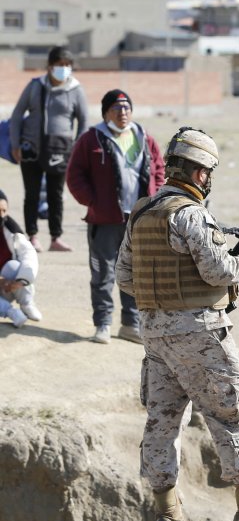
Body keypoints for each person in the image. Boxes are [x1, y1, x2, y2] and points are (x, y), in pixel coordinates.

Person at [117, 127, 239, 521]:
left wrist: (164, 292)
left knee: (163, 422)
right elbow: (217, 271)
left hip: (155, 336)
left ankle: (168, 515)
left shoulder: (141, 212)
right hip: (200, 333)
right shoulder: (191, 214)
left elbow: (124, 277)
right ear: (200, 172)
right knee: (235, 413)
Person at [66, 89, 165, 345]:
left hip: (139, 220)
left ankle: (130, 325)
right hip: (105, 220)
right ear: (106, 113)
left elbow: (158, 168)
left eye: (126, 108)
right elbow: (74, 174)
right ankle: (103, 324)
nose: (123, 112)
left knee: (135, 273)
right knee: (103, 273)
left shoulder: (144, 137)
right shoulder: (91, 139)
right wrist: (93, 201)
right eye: (116, 108)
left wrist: (154, 196)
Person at [8, 45, 89, 252]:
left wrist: (77, 148)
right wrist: (15, 144)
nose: (63, 68)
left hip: (60, 151)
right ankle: (32, 236)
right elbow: (17, 115)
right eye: (59, 64)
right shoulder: (35, 86)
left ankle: (56, 238)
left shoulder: (76, 90)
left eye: (67, 65)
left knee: (56, 195)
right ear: (49, 66)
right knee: (32, 194)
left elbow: (83, 121)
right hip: (31, 149)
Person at [0, 189, 41, 328]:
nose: (1, 215)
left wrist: (20, 281)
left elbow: (28, 253)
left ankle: (27, 303)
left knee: (14, 266)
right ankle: (11, 312)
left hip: (8, 286)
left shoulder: (11, 229)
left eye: (4, 210)